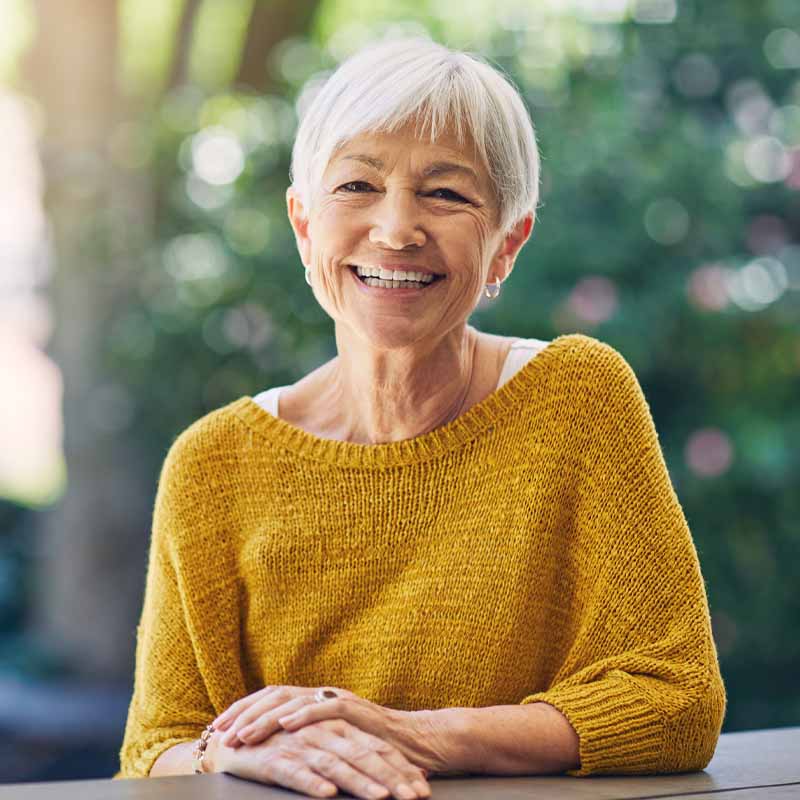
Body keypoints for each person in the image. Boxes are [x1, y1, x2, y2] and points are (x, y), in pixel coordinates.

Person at [115, 36, 726, 799]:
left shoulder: (579, 399)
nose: (397, 229)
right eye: (357, 186)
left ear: (507, 243)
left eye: (445, 194)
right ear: (304, 228)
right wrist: (228, 754)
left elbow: (677, 702)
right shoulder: (213, 464)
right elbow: (154, 749)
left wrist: (413, 735)